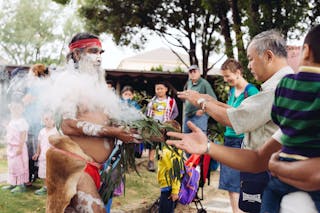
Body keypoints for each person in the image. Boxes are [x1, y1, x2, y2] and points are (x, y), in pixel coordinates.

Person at [167, 26, 320, 213]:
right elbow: (258, 157)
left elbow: (240, 118)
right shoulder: (291, 98)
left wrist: (278, 166)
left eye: (250, 59)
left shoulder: (282, 87)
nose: (249, 65)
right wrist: (207, 146)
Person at [45, 32, 141, 212]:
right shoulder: (68, 81)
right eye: (93, 52)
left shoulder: (97, 84)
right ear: (77, 54)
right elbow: (67, 125)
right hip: (74, 165)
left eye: (100, 53)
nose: (99, 58)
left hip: (97, 169)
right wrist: (112, 132)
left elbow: (108, 118)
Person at [258, 24, 320, 213]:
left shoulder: (285, 83)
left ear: (306, 51)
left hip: (285, 162)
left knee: (270, 193)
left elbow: (278, 117)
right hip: (310, 165)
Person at [219, 58, 259, 213]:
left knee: (238, 182)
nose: (226, 79)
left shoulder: (252, 91)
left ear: (238, 72)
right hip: (229, 138)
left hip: (242, 141)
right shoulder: (232, 91)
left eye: (228, 75)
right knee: (230, 182)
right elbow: (231, 111)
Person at [22, 63, 50, 185]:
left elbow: (25, 101)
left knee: (31, 149)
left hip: (31, 121)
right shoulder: (45, 87)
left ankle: (30, 177)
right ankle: (36, 174)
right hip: (38, 122)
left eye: (31, 72)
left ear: (36, 73)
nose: (29, 74)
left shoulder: (34, 87)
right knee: (39, 148)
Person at [145, 81, 179, 171]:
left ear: (166, 89)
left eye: (161, 88)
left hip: (165, 126)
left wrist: (169, 120)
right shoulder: (152, 101)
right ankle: (151, 162)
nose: (159, 91)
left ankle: (165, 161)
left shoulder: (171, 101)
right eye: (157, 89)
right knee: (152, 144)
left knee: (164, 144)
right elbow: (147, 112)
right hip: (154, 125)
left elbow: (176, 112)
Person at [183, 65, 216, 144]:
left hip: (199, 117)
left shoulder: (204, 83)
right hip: (188, 115)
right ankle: (189, 157)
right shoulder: (189, 83)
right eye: (191, 72)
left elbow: (213, 99)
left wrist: (203, 111)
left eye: (195, 71)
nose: (193, 73)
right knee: (187, 140)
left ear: (199, 72)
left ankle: (201, 157)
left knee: (199, 141)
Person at [2, 101, 29, 193]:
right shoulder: (12, 121)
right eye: (13, 108)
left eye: (17, 108)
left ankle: (21, 185)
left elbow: (23, 135)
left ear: (22, 110)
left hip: (18, 147)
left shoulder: (22, 121)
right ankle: (13, 183)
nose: (15, 110)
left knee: (19, 165)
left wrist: (20, 148)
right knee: (12, 165)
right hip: (11, 147)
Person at [31, 112, 58, 196]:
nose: (47, 121)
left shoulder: (56, 132)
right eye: (45, 119)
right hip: (43, 155)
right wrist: (37, 153)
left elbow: (58, 145)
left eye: (49, 119)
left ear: (54, 120)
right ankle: (45, 187)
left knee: (51, 172)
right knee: (43, 172)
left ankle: (52, 188)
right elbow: (39, 144)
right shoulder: (42, 131)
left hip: (52, 156)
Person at [157, 146, 182, 213]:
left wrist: (175, 191)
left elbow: (176, 173)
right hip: (165, 187)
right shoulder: (166, 149)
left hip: (169, 190)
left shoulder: (171, 152)